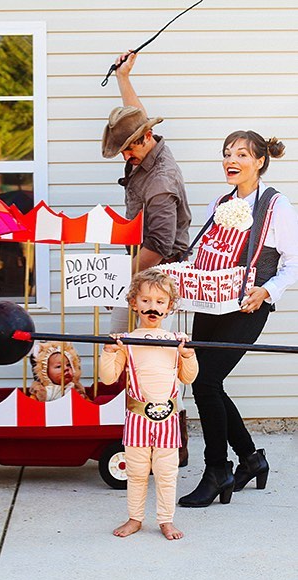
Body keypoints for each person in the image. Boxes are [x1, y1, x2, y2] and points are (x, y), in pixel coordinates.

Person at [178, 131, 298, 508]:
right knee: (205, 380)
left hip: (249, 305)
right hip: (211, 301)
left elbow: (293, 263)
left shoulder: (277, 206)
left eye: (242, 154)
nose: (232, 160)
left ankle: (217, 470)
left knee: (207, 381)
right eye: (227, 153)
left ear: (260, 161)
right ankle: (250, 459)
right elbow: (209, 253)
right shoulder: (221, 201)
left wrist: (267, 292)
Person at [102, 50, 193, 463]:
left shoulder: (160, 180)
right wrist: (124, 77)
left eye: (127, 149)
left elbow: (155, 244)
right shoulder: (152, 148)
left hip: (156, 278)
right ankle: (131, 429)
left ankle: (160, 442)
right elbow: (136, 115)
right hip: (143, 270)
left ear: (144, 140)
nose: (125, 156)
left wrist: (122, 284)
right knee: (127, 352)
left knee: (134, 351)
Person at [100, 269, 198, 540]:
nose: (152, 307)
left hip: (168, 419)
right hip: (137, 418)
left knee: (167, 473)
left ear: (169, 307)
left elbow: (188, 377)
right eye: (145, 301)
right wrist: (109, 352)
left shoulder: (174, 342)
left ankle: (166, 520)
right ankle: (135, 518)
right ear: (134, 303)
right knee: (137, 472)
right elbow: (108, 377)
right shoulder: (127, 342)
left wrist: (188, 356)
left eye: (159, 302)